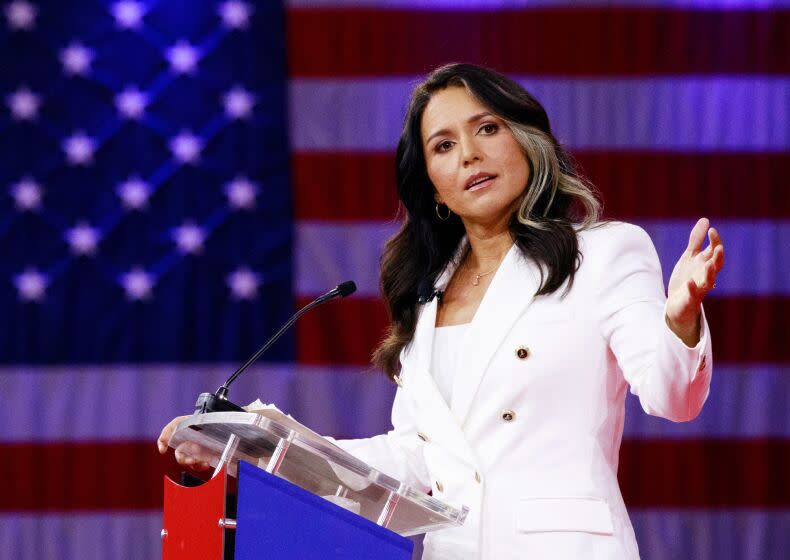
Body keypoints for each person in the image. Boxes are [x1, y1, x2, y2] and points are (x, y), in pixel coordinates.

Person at [158, 63, 724, 559]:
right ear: (432, 186)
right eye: (444, 145)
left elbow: (672, 398)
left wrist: (680, 317)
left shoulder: (601, 252)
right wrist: (260, 451)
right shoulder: (429, 295)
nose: (470, 154)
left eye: (486, 128)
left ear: (526, 141)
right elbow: (414, 459)